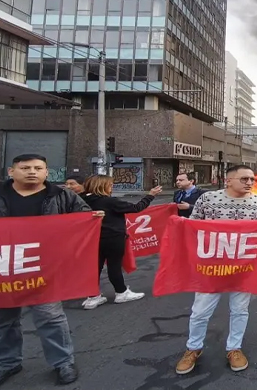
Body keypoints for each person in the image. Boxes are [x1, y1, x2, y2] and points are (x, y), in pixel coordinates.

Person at [0, 154, 97, 386]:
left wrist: (91, 219)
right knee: (4, 320)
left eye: (38, 168)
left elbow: (81, 218)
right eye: (25, 168)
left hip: (45, 268)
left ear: (46, 172)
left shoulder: (63, 195)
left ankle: (63, 362)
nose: (32, 171)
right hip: (5, 267)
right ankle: (8, 362)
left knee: (50, 318)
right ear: (11, 172)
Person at [175, 165, 257, 375]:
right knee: (200, 311)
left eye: (252, 179)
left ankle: (234, 348)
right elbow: (193, 228)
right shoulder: (208, 199)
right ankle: (193, 348)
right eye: (244, 179)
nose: (250, 183)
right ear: (228, 180)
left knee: (239, 310)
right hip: (211, 268)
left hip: (244, 268)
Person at [80, 175, 162, 310]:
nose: (111, 187)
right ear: (102, 186)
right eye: (110, 185)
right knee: (114, 266)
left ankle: (93, 297)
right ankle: (121, 292)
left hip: (92, 239)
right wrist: (150, 195)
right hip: (113, 237)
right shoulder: (109, 202)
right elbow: (136, 208)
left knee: (95, 267)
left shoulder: (82, 200)